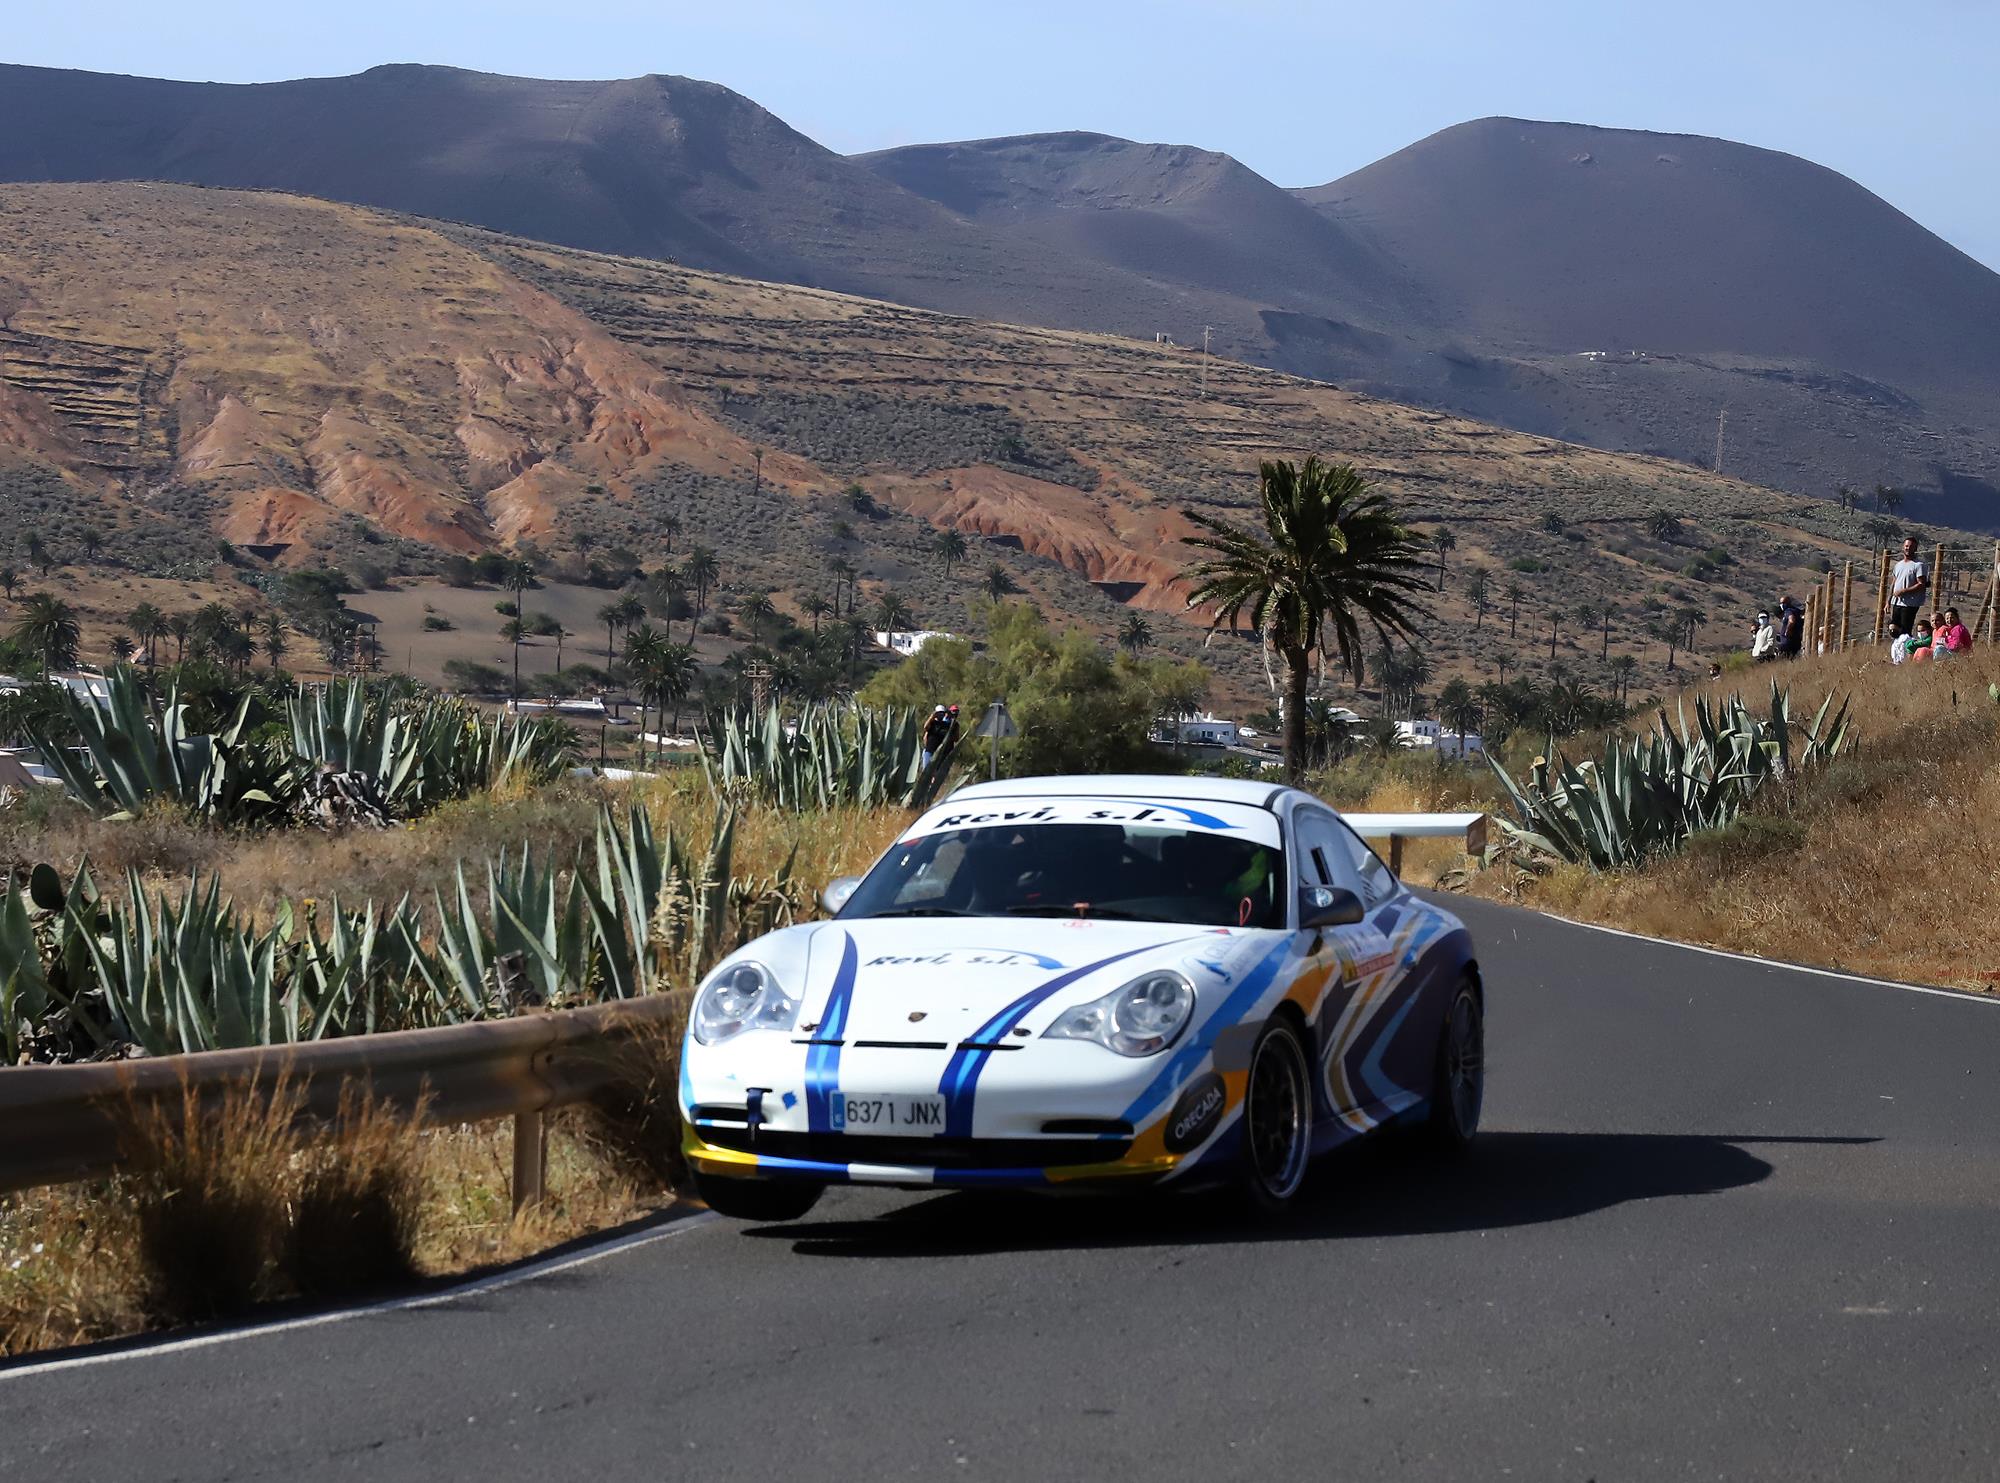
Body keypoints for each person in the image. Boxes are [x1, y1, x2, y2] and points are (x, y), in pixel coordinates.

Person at [1889, 537, 1928, 638]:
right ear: (1903, 547)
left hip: (1910, 603)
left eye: (1911, 547)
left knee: (1905, 631)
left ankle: (1907, 650)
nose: (1908, 548)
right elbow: (1893, 583)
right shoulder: (1898, 565)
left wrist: (1903, 591)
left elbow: (1921, 584)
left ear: (1915, 549)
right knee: (1893, 629)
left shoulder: (1919, 565)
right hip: (1897, 602)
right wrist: (1888, 602)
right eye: (1906, 546)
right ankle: (1897, 650)